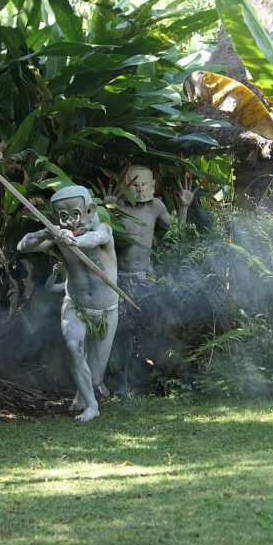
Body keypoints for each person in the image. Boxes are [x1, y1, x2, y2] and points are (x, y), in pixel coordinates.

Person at [17, 185, 118, 422]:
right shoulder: (58, 236)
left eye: (75, 214)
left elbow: (98, 238)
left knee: (95, 379)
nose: (70, 220)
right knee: (73, 345)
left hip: (107, 310)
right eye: (63, 216)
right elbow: (24, 246)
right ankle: (91, 406)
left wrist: (75, 240)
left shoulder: (102, 228)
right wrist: (46, 233)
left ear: (90, 210)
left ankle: (84, 393)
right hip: (76, 305)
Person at [105, 165, 196, 395]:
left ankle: (157, 379)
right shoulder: (118, 207)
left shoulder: (156, 207)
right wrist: (106, 210)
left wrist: (184, 207)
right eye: (134, 185)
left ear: (152, 186)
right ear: (125, 186)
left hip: (145, 278)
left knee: (151, 328)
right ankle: (122, 382)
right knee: (122, 332)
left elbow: (175, 231)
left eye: (144, 185)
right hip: (120, 279)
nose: (140, 189)